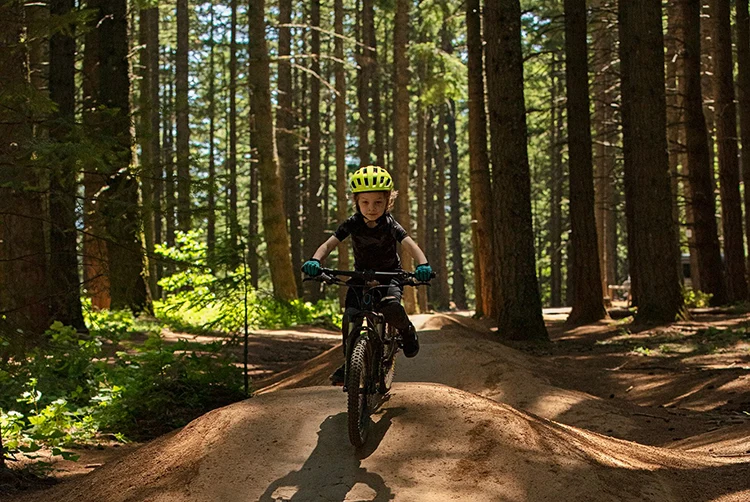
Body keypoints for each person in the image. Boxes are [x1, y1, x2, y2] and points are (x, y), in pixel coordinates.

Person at [301, 166, 432, 386]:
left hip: (389, 276)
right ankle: (350, 363)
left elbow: (411, 245)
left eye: (378, 202)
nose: (371, 208)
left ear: (388, 201)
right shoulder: (352, 223)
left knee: (391, 307)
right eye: (365, 202)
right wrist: (315, 261)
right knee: (351, 316)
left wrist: (423, 265)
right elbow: (329, 244)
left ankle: (407, 331)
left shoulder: (391, 225)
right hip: (360, 277)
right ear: (356, 201)